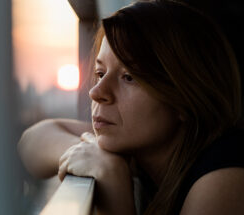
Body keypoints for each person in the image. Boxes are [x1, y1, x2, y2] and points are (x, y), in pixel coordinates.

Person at [17, 0, 244, 214]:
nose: (96, 92)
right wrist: (98, 156)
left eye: (129, 77)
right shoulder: (142, 146)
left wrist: (115, 192)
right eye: (100, 73)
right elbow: (30, 141)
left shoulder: (226, 177)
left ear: (185, 98)